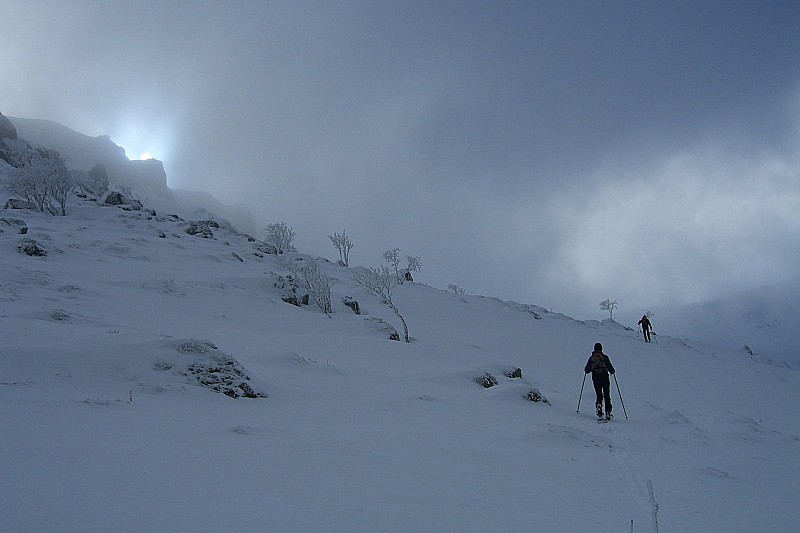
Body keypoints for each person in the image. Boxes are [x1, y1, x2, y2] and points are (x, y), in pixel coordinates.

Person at [584, 342, 615, 420]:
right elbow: (611, 369)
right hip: (604, 376)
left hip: (595, 377)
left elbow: (587, 370)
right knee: (607, 394)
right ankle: (608, 412)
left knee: (599, 394)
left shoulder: (592, 358)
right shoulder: (604, 357)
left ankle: (599, 407)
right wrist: (612, 371)